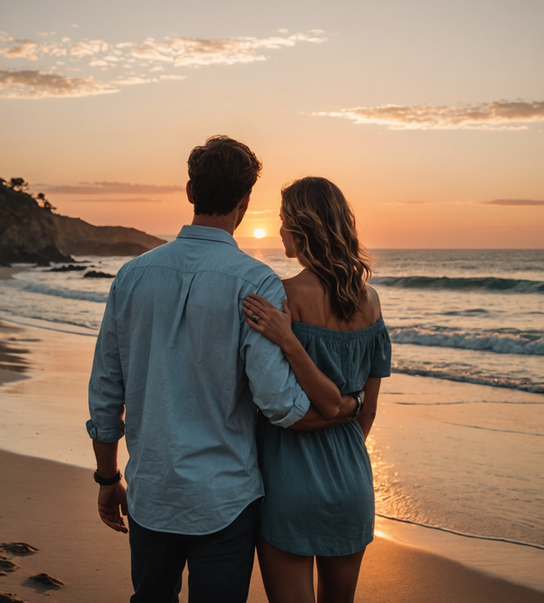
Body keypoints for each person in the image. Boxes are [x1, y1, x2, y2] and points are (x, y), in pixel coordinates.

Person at [86, 137, 358, 603]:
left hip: (152, 491)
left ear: (190, 191)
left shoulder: (132, 276)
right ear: (246, 201)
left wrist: (109, 479)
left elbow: (107, 393)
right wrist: (346, 407)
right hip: (225, 498)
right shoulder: (255, 282)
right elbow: (280, 406)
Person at [242, 177, 392, 603]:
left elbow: (263, 397)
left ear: (302, 228)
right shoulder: (372, 302)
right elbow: (368, 411)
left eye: (284, 221)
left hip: (286, 479)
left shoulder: (284, 297)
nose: (279, 230)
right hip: (351, 480)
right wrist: (338, 444)